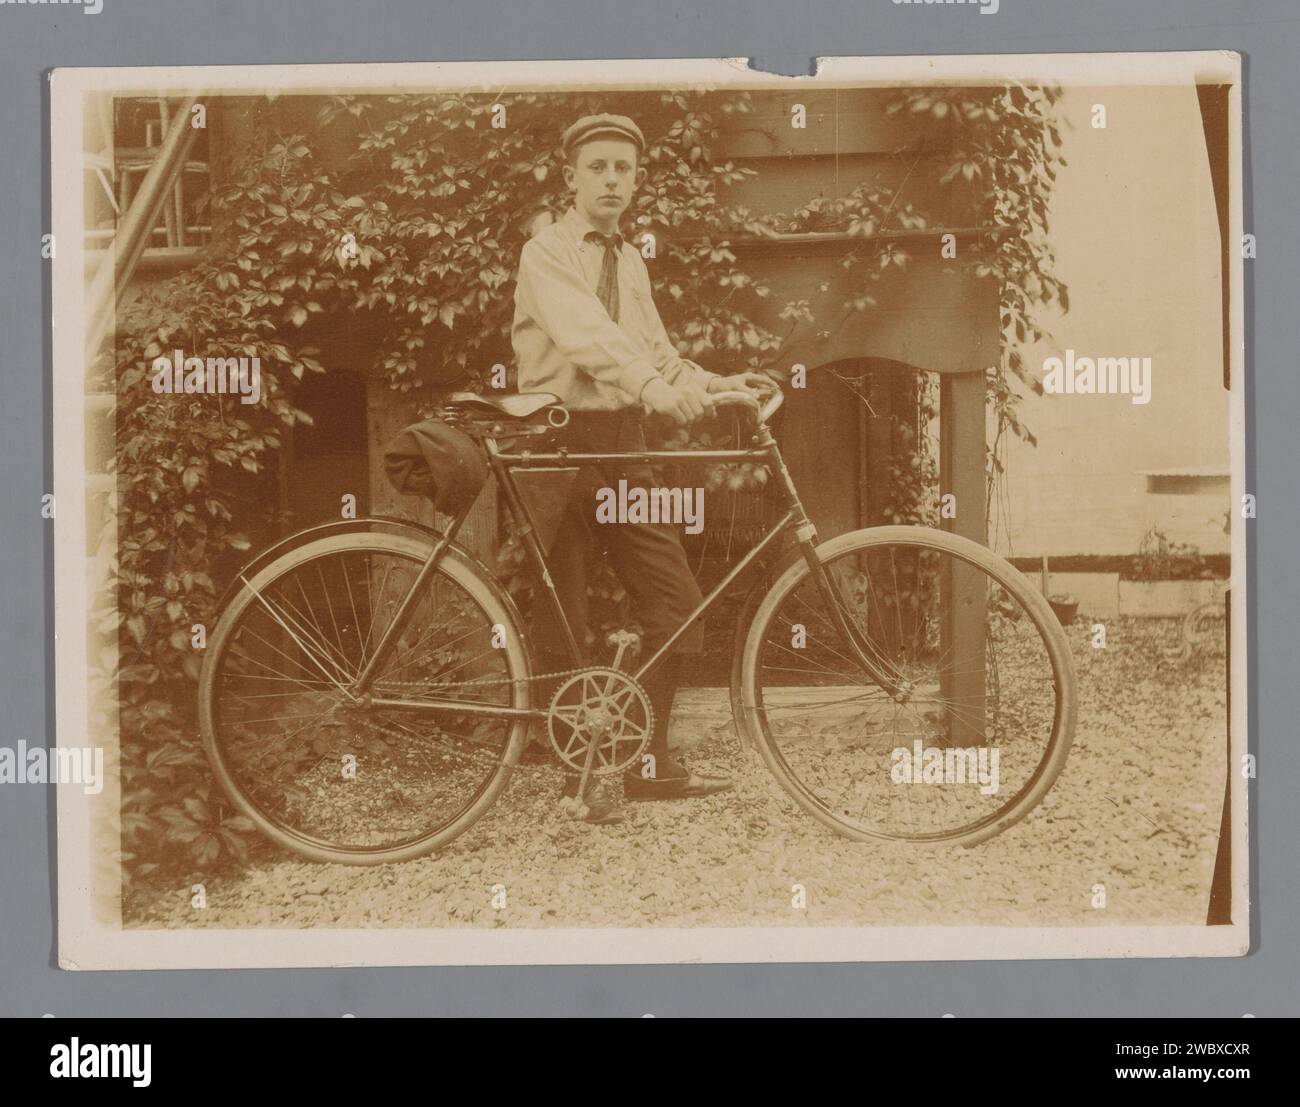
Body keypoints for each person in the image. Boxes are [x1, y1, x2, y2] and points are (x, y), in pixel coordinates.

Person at [511, 113, 770, 823]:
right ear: (570, 177)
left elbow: (654, 354)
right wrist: (656, 390)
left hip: (622, 446)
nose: (612, 181)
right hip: (556, 445)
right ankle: (581, 780)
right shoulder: (547, 254)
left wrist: (716, 384)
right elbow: (588, 338)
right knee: (564, 617)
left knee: (676, 603)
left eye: (624, 168)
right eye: (597, 167)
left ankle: (648, 760)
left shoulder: (630, 260)